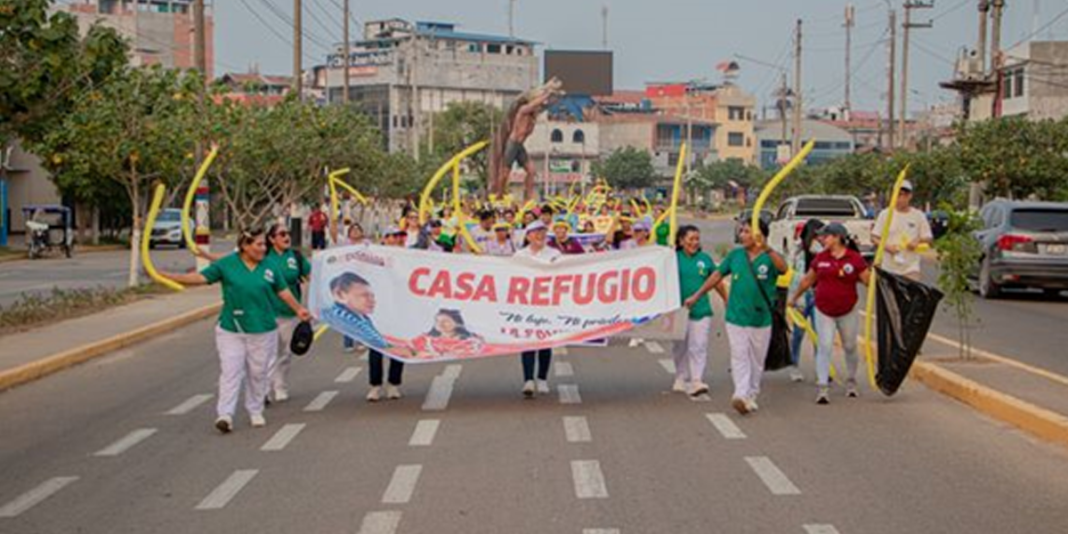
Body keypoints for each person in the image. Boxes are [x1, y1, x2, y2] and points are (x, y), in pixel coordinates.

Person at [162, 228, 311, 433]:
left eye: (264, 245)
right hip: (231, 328)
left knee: (258, 373)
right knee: (231, 371)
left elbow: (283, 291)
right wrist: (167, 276)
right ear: (245, 246)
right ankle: (225, 415)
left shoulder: (270, 267)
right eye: (258, 245)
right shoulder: (228, 264)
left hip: (262, 328)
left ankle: (255, 409)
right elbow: (200, 278)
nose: (263, 249)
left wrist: (299, 309)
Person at [684, 220, 788, 416]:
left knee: (756, 360)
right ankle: (740, 394)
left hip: (761, 318)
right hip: (735, 316)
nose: (742, 235)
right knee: (739, 355)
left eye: (747, 231)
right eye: (741, 231)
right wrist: (697, 295)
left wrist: (768, 249)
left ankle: (752, 394)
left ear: (759, 235)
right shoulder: (735, 255)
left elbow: (783, 269)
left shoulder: (769, 257)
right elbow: (716, 276)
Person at [789, 223, 871, 404]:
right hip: (823, 309)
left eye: (825, 236)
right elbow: (808, 280)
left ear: (837, 237)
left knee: (849, 346)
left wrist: (874, 276)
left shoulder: (854, 258)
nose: (821, 239)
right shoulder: (820, 258)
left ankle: (851, 381)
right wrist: (794, 298)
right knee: (824, 345)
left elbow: (869, 282)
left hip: (847, 310)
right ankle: (822, 387)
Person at [325, 269, 409, 402]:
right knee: (376, 353)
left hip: (395, 318)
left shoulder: (399, 275)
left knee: (397, 354)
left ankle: (393, 384)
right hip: (377, 320)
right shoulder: (372, 278)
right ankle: (375, 386)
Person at [674, 225, 728, 396]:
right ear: (681, 241)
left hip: (702, 309)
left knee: (698, 345)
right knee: (680, 345)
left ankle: (696, 379)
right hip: (679, 310)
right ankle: (681, 376)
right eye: (690, 239)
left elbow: (716, 281)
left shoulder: (704, 259)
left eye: (697, 239)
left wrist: (726, 299)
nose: (694, 243)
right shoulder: (673, 259)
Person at [491, 78, 564, 199]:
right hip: (512, 144)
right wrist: (548, 92)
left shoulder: (534, 114)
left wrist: (558, 96)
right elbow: (536, 103)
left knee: (531, 171)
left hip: (520, 146)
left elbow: (547, 105)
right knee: (505, 173)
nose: (539, 109)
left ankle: (528, 196)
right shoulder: (523, 110)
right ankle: (499, 194)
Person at [263, 223, 312, 402]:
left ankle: (280, 386)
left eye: (288, 234)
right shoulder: (263, 257)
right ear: (271, 239)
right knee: (267, 353)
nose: (286, 237)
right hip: (266, 312)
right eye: (282, 234)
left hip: (290, 313)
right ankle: (265, 389)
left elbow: (310, 275)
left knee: (285, 353)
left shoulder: (296, 257)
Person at [513, 221, 562, 397]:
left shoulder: (554, 254)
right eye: (535, 232)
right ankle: (528, 380)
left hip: (547, 304)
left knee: (544, 342)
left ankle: (542, 379)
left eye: (542, 232)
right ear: (528, 236)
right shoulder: (520, 255)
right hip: (526, 303)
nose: (539, 236)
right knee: (527, 341)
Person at [786, 219, 825, 383]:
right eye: (818, 235)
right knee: (798, 334)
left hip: (819, 296)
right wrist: (792, 298)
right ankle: (794, 365)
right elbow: (792, 274)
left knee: (819, 334)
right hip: (801, 296)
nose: (821, 238)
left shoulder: (825, 251)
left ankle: (821, 370)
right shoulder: (797, 250)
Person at [872, 180, 933, 281]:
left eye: (903, 195)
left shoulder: (918, 215)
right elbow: (874, 237)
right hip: (889, 268)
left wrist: (917, 241)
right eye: (897, 194)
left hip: (911, 268)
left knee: (910, 295)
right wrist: (887, 247)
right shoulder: (885, 214)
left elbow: (928, 237)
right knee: (891, 296)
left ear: (910, 196)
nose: (899, 198)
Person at [410, 309, 485, 359]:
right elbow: (407, 350)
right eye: (437, 321)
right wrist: (416, 354)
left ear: (457, 322)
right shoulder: (425, 339)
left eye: (445, 321)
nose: (440, 324)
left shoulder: (472, 341)